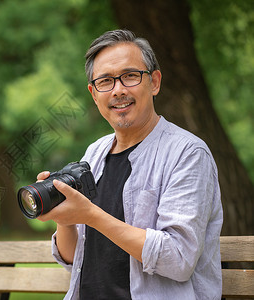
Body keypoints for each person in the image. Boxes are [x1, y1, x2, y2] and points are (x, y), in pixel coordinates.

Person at [36, 29, 223, 299]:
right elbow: (72, 260)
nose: (119, 90)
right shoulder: (95, 153)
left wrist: (90, 215)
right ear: (93, 94)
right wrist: (63, 216)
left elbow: (179, 259)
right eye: (105, 81)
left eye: (130, 76)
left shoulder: (188, 153)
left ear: (154, 82)